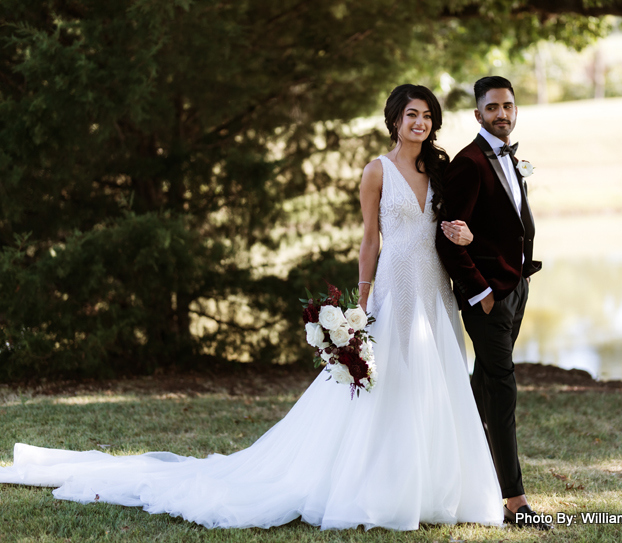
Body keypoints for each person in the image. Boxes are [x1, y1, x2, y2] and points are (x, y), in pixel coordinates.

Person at [0, 84, 504, 531]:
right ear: (395, 120)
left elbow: (452, 225)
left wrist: (462, 232)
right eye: (412, 114)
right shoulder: (377, 171)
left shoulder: (440, 169)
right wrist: (363, 302)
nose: (421, 123)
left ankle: (437, 488)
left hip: (433, 285)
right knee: (385, 381)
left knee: (435, 375)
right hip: (394, 283)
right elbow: (369, 239)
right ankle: (384, 487)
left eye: (428, 116)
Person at [436, 76, 549, 530]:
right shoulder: (468, 163)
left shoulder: (508, 157)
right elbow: (447, 239)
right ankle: (514, 501)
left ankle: (463, 471)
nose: (502, 114)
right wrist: (481, 294)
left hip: (516, 286)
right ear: (477, 114)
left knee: (485, 385)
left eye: (508, 106)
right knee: (503, 388)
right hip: (488, 296)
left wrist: (514, 280)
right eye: (492, 108)